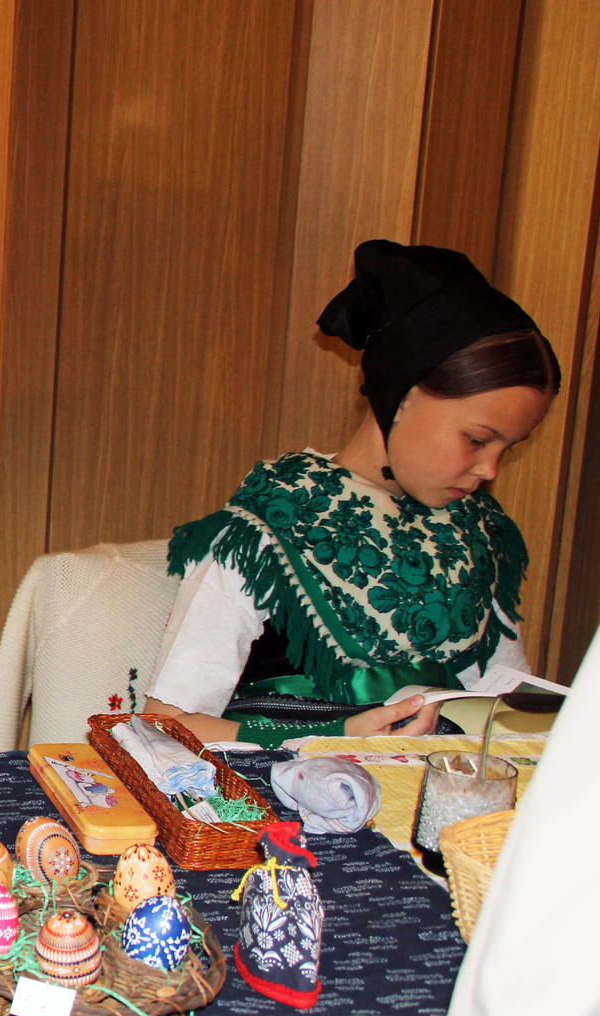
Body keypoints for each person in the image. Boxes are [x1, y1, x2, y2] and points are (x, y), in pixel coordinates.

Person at [144, 240, 559, 749]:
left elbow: (504, 705)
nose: (489, 468)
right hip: (279, 805)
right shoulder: (268, 529)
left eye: (507, 448)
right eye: (476, 439)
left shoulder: (475, 535)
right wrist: (332, 733)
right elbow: (165, 725)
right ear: (402, 397)